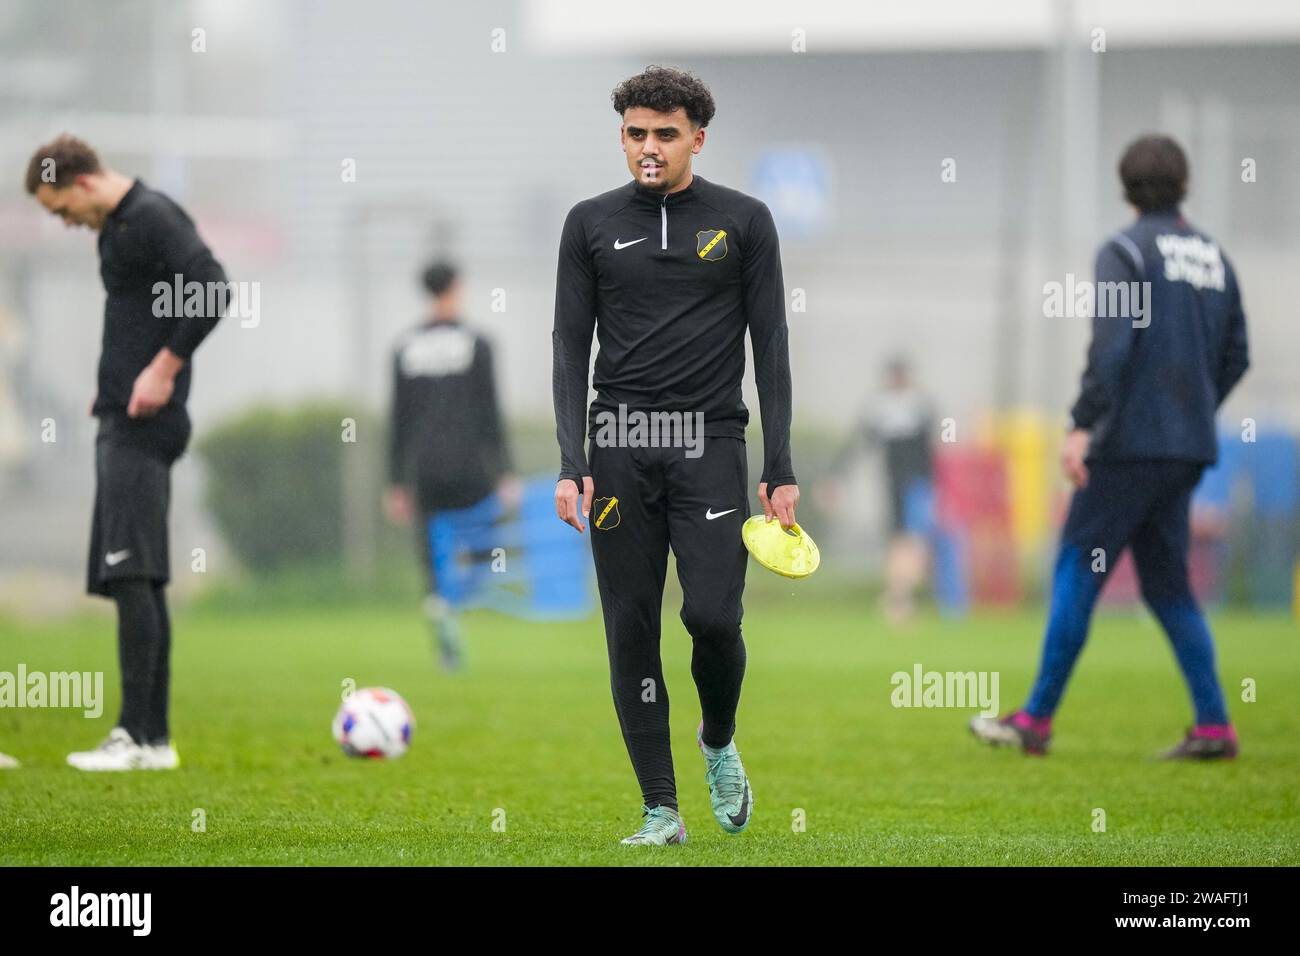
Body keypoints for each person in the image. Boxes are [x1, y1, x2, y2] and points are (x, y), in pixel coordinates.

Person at [552, 66, 799, 845]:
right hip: (620, 446)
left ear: (698, 135)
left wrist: (780, 466)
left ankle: (718, 738)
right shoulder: (588, 224)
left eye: (664, 133)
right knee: (631, 627)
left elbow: (773, 346)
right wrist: (571, 460)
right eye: (635, 133)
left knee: (712, 617)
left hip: (710, 444)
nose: (649, 147)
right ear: (621, 136)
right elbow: (568, 348)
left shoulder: (746, 221)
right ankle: (662, 809)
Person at [971, 134, 1249, 759]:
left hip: (1127, 447)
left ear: (1125, 187)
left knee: (1077, 565)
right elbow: (1238, 355)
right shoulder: (1214, 257)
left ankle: (1035, 719)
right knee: (1167, 584)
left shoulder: (1124, 250)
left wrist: (1080, 424)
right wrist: (1193, 412)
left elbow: (1112, 347)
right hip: (1186, 451)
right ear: (1185, 185)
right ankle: (1214, 727)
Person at [25, 134, 229, 770]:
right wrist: (114, 386)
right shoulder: (121, 227)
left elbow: (213, 288)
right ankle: (152, 739)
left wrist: (162, 370)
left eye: (61, 209)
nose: (64, 222)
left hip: (145, 422)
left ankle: (136, 738)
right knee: (137, 576)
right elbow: (141, 314)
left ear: (82, 183)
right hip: (124, 416)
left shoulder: (149, 217)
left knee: (132, 572)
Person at [385, 261, 515, 672]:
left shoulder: (404, 347)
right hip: (472, 466)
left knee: (433, 558)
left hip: (425, 470)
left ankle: (442, 611)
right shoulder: (477, 343)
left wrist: (395, 482)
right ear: (456, 288)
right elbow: (490, 410)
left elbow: (399, 420)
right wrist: (505, 469)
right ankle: (462, 598)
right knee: (484, 549)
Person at [830, 356, 935, 623]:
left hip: (917, 486)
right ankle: (899, 598)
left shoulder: (919, 408)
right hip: (894, 486)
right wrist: (836, 476)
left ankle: (900, 597)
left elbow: (930, 453)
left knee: (913, 542)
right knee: (902, 541)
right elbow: (858, 445)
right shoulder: (881, 409)